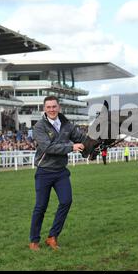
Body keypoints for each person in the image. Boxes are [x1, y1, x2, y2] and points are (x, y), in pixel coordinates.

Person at [29, 96, 85, 251]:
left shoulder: (67, 124)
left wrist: (99, 141)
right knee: (41, 207)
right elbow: (49, 147)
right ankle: (34, 240)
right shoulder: (39, 126)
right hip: (44, 172)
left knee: (66, 201)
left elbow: (82, 138)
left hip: (61, 172)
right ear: (44, 109)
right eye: (49, 107)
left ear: (59, 107)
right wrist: (71, 147)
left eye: (54, 106)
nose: (52, 109)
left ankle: (52, 237)